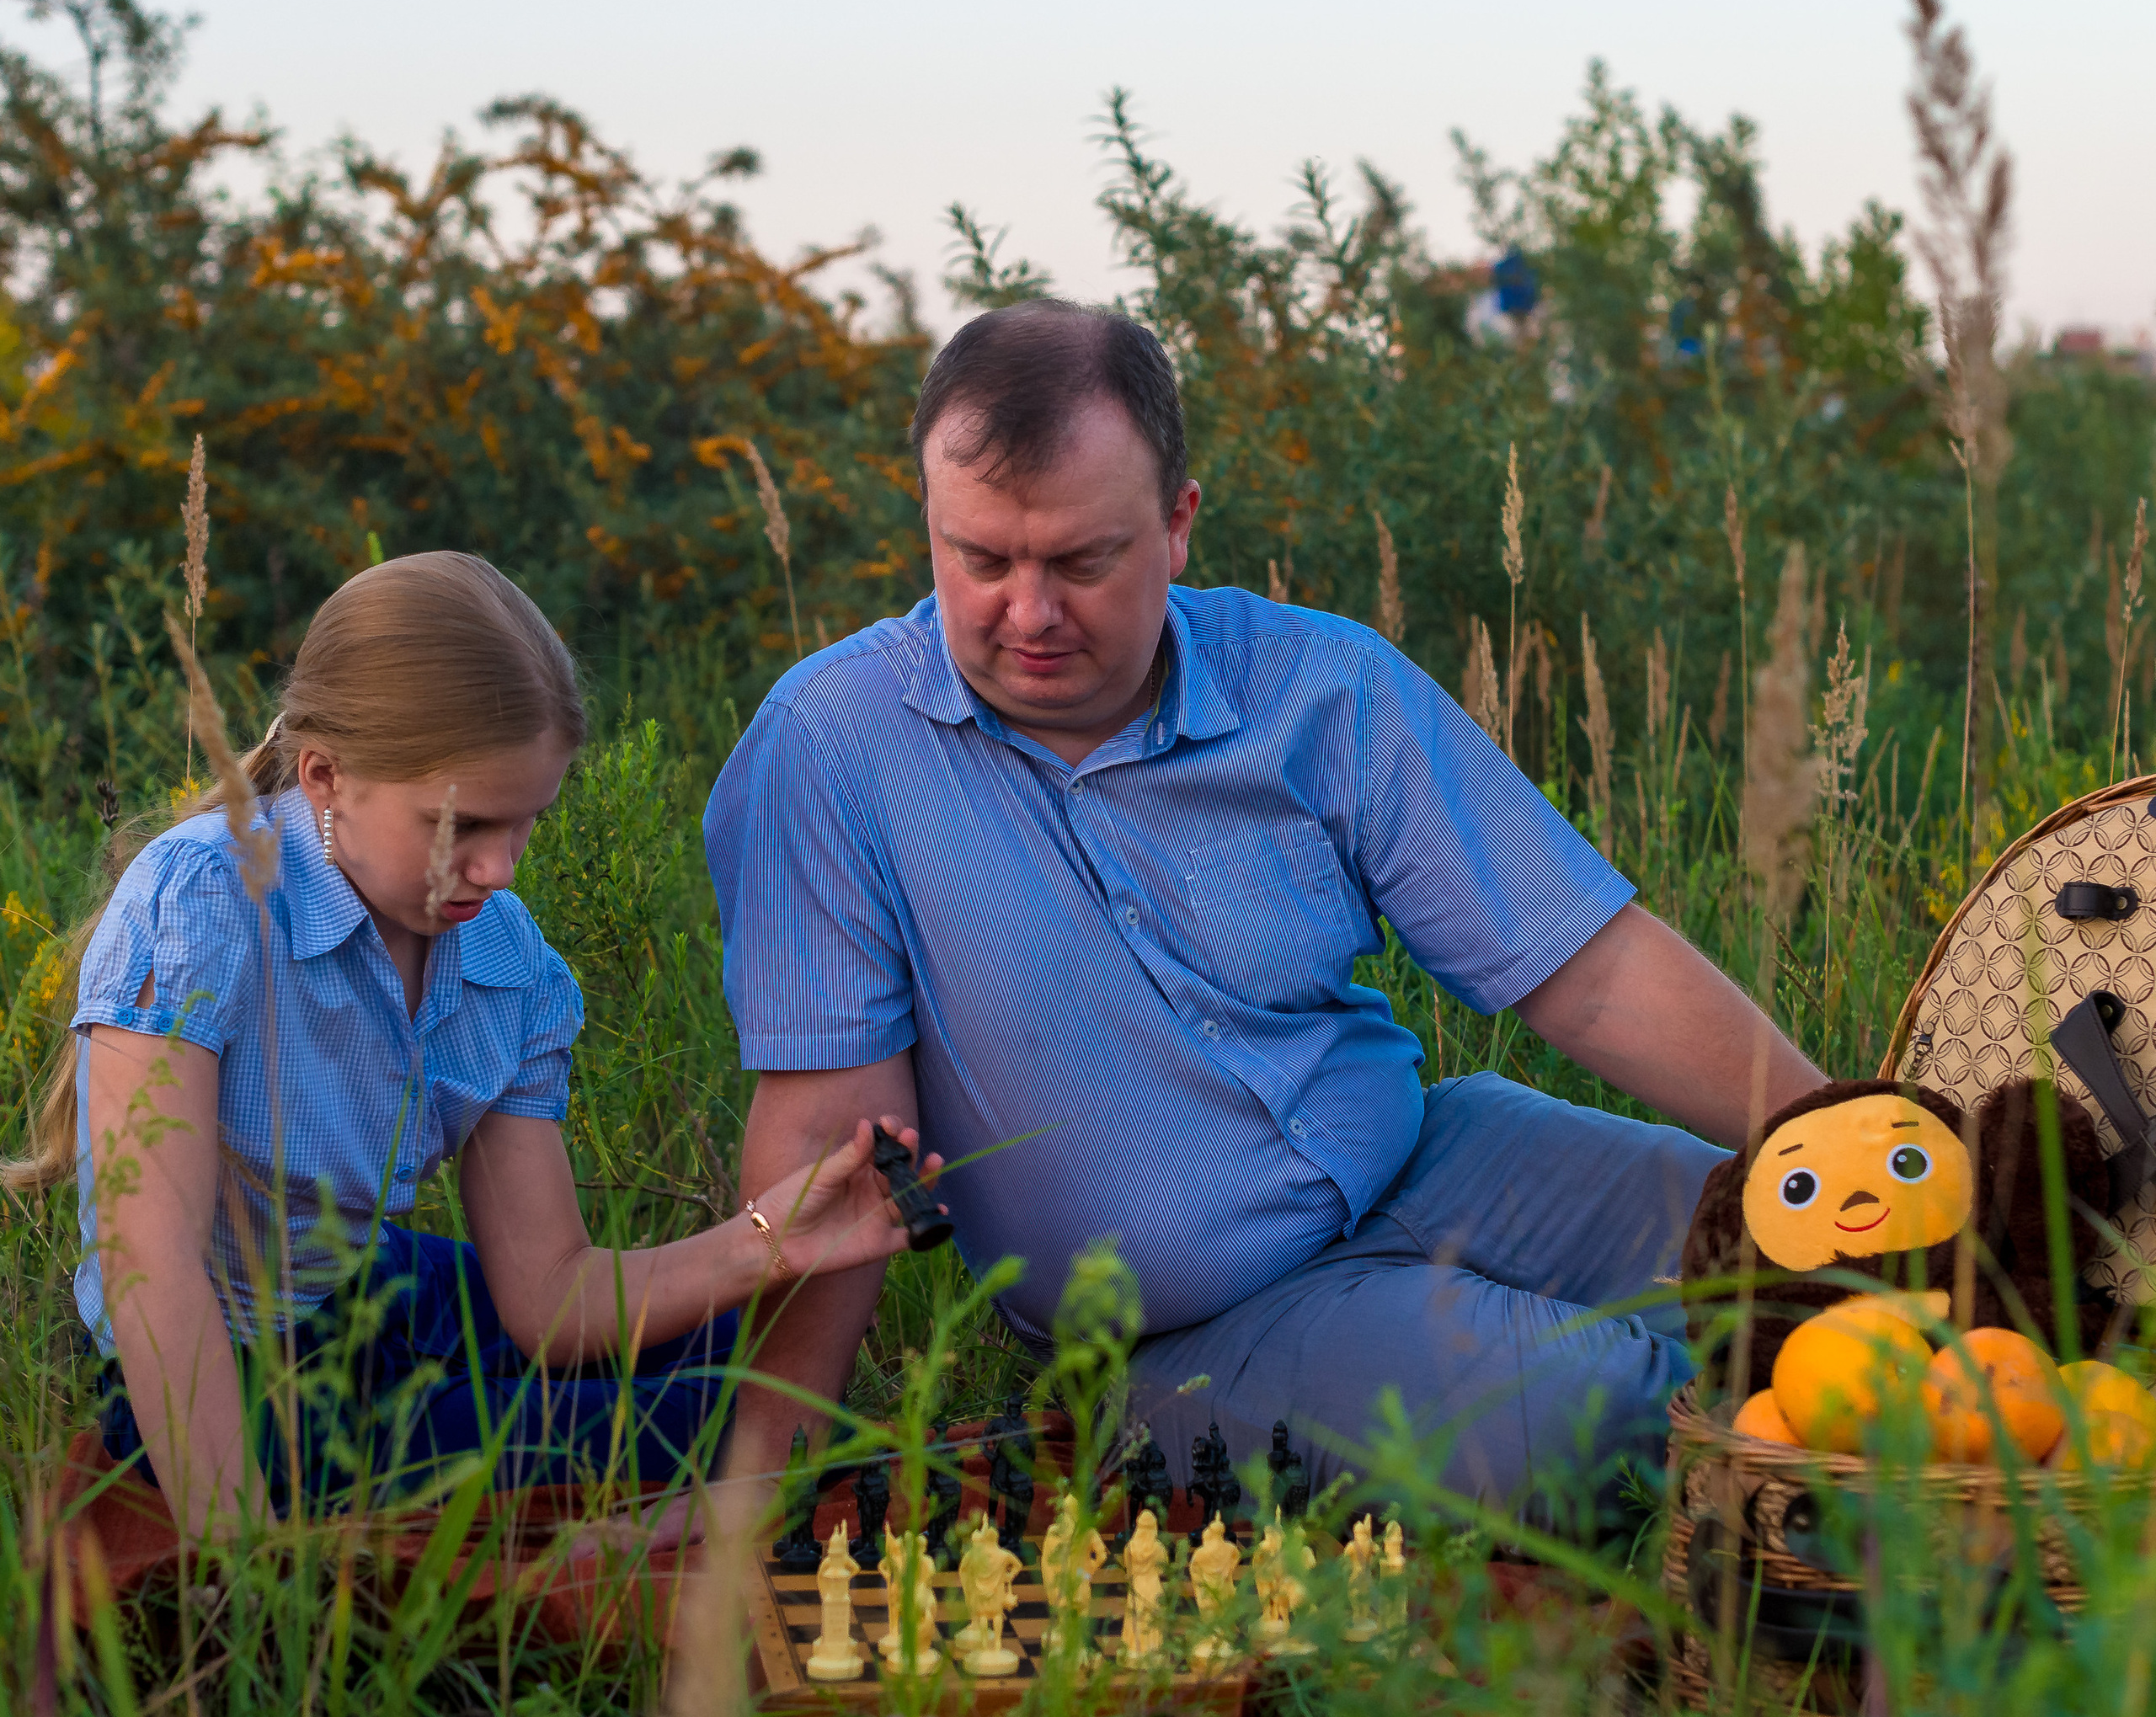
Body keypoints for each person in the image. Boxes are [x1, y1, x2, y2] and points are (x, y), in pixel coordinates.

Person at [704, 299, 1822, 1516]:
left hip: (1434, 1156)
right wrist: (757, 1476)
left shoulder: (1321, 686)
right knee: (1607, 1414)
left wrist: (1865, 1135)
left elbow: (1592, 973)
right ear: (928, 521)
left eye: (1082, 560)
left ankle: (1973, 1495)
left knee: (1831, 1259)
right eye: (981, 559)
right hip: (1187, 1334)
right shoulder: (829, 752)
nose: (1028, 612)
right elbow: (831, 1154)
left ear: (1178, 526)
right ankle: (1843, 1541)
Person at [5, 552, 936, 1538]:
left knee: (753, 1366)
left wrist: (769, 1241)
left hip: (374, 1290)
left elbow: (549, 1294)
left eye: (527, 822)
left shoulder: (503, 959)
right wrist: (241, 1554)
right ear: (325, 775)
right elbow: (154, 1277)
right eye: (464, 825)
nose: (496, 868)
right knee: (711, 1424)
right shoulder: (202, 901)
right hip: (232, 1360)